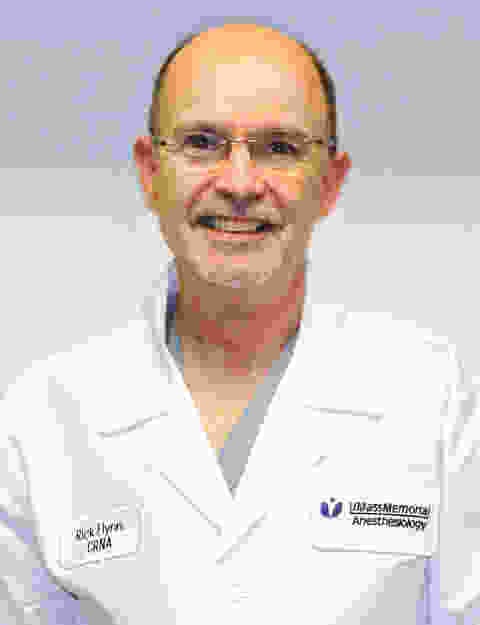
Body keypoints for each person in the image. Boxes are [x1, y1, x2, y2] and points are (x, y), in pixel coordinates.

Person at [0, 21, 479, 625]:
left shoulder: (429, 394)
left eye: (280, 148)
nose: (239, 183)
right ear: (149, 172)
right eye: (202, 142)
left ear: (330, 183)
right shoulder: (45, 419)